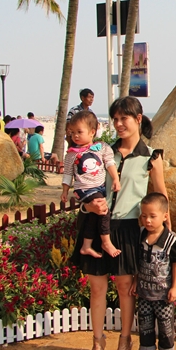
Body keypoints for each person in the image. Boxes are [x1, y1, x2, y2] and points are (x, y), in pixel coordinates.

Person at [71, 96, 167, 350]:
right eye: (115, 119)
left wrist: (164, 233)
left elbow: (161, 196)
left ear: (138, 119)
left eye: (124, 118)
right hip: (95, 224)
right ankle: (97, 342)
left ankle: (125, 342)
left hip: (128, 228)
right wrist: (87, 206)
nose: (119, 124)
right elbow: (81, 186)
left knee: (125, 288)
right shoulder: (101, 152)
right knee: (97, 288)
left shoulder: (151, 156)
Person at [62, 111, 122, 259]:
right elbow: (68, 174)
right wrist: (65, 191)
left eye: (79, 132)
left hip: (99, 187)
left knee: (93, 216)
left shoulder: (101, 147)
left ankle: (86, 246)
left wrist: (115, 178)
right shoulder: (71, 154)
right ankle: (106, 242)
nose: (75, 136)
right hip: (84, 189)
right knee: (103, 210)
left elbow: (110, 163)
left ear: (92, 132)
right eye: (72, 132)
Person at [130, 193, 176, 350]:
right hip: (144, 293)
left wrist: (174, 287)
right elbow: (137, 261)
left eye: (152, 216)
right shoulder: (141, 235)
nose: (147, 221)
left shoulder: (171, 240)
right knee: (145, 324)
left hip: (163, 294)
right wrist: (135, 281)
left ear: (165, 216)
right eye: (144, 216)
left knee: (165, 325)